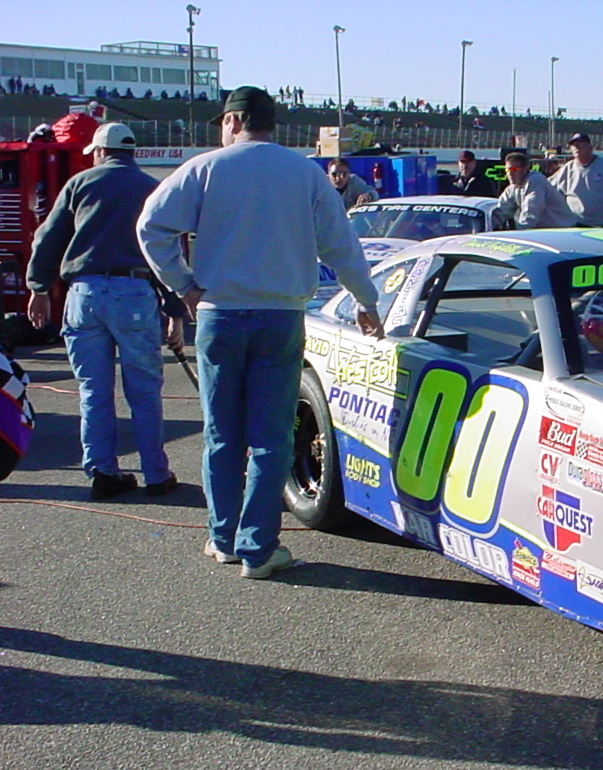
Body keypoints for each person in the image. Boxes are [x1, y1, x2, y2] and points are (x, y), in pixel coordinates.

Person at [137, 86, 381, 579]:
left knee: (221, 433)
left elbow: (151, 227)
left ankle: (223, 538)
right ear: (272, 124)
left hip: (219, 313)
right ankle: (259, 548)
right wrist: (366, 301)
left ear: (232, 121)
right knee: (271, 438)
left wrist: (184, 285)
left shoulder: (204, 168)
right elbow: (341, 244)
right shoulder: (304, 173)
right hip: (280, 314)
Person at [26, 121, 178, 500]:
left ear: (98, 151)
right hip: (135, 292)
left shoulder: (80, 184)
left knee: (94, 391)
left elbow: (48, 237)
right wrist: (175, 310)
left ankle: (103, 472)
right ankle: (156, 474)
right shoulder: (151, 187)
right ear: (132, 151)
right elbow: (168, 251)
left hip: (85, 293)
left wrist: (39, 288)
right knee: (144, 392)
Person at [548, 132, 603, 227]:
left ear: (590, 147)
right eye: (573, 145)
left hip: (601, 225)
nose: (576, 147)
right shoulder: (567, 168)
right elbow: (548, 187)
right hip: (574, 224)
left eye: (580, 144)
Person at [497, 152, 577, 228]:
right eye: (507, 170)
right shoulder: (512, 188)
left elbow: (530, 212)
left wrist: (520, 232)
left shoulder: (536, 181)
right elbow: (501, 210)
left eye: (514, 169)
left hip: (562, 230)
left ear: (525, 169)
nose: (510, 174)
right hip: (544, 231)